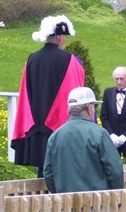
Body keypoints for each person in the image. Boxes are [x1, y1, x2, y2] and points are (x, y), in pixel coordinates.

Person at [11, 15, 85, 177]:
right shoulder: (70, 60)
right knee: (61, 174)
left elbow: (26, 92)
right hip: (59, 128)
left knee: (42, 174)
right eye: (63, 36)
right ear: (59, 37)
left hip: (35, 128)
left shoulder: (32, 59)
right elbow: (75, 94)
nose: (64, 40)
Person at [44, 87, 124, 193]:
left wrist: (59, 194)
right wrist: (115, 194)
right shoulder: (99, 133)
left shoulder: (55, 136)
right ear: (90, 108)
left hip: (65, 204)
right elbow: (115, 170)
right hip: (96, 202)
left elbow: (48, 173)